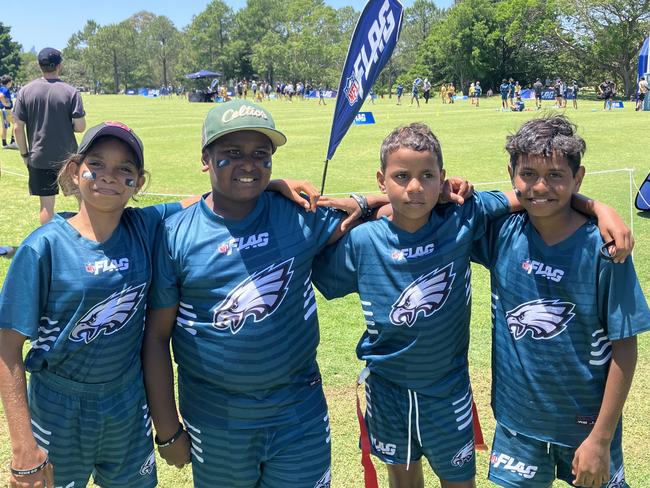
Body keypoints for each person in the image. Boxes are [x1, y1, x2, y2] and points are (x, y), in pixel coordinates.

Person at [310, 122, 629, 488]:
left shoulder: (464, 217)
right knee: (401, 477)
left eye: (427, 176)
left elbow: (528, 195)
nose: (415, 187)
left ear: (442, 179)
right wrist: (367, 203)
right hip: (388, 391)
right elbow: (315, 259)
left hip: (451, 393)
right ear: (382, 179)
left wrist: (598, 206)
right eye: (401, 177)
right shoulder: (366, 241)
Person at [143, 99, 387, 488]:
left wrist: (368, 199)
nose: (249, 164)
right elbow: (156, 338)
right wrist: (168, 430)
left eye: (261, 155)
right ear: (205, 158)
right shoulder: (176, 234)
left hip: (297, 412)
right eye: (232, 153)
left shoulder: (296, 213)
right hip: (215, 418)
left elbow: (392, 204)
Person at [0, 122, 193, 488]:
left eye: (125, 169)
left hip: (126, 402)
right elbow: (6, 348)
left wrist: (272, 188)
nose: (110, 176)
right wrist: (23, 448)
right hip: (59, 406)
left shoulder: (144, 225)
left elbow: (206, 201)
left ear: (139, 182)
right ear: (75, 171)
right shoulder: (43, 247)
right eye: (97, 164)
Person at [471, 115, 648, 488]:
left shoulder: (605, 250)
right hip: (518, 423)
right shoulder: (501, 232)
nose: (540, 187)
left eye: (555, 176)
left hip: (585, 428)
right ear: (511, 173)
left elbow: (625, 347)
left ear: (577, 177)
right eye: (528, 174)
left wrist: (600, 440)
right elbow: (437, 207)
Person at [12, 47, 86, 225]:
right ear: (59, 66)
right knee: (83, 199)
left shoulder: (25, 92)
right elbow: (80, 127)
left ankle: (48, 245)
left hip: (39, 157)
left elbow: (17, 128)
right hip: (68, 158)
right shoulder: (71, 92)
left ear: (39, 66)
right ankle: (87, 238)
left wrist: (24, 154)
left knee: (46, 206)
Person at [0, 74, 17, 149]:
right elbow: (1, 96)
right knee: (16, 123)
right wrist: (6, 104)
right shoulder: (6, 90)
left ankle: (4, 143)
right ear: (9, 82)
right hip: (6, 110)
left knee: (4, 127)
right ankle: (13, 142)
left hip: (2, 110)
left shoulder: (1, 88)